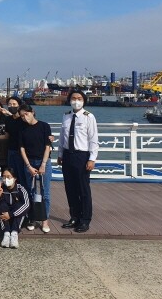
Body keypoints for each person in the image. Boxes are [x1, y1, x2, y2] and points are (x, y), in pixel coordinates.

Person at [58, 90, 99, 233]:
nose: (76, 101)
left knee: (83, 190)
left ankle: (85, 220)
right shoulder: (66, 116)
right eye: (74, 98)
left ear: (84, 101)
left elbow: (93, 139)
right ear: (69, 100)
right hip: (68, 155)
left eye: (79, 98)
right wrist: (60, 154)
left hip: (82, 156)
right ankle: (74, 217)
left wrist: (92, 159)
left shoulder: (89, 117)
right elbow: (62, 136)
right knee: (70, 189)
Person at [18, 105, 52, 233]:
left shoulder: (44, 126)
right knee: (31, 192)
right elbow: (22, 148)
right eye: (22, 115)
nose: (24, 117)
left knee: (45, 192)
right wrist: (28, 166)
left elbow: (47, 146)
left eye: (26, 114)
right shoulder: (22, 129)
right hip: (29, 162)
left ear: (33, 112)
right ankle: (32, 218)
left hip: (44, 161)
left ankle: (45, 220)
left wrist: (43, 164)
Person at [0, 167, 30, 249]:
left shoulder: (21, 189)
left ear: (14, 178)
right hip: (3, 220)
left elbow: (27, 205)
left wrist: (10, 214)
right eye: (3, 177)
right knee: (2, 204)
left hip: (17, 219)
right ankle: (6, 234)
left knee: (19, 205)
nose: (5, 179)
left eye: (8, 177)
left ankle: (14, 234)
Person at [3, 96, 28, 195]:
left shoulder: (24, 119)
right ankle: (13, 198)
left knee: (22, 177)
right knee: (12, 176)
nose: (11, 106)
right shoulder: (8, 120)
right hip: (11, 151)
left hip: (22, 151)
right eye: (9, 104)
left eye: (14, 104)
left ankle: (25, 198)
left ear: (19, 105)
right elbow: (6, 136)